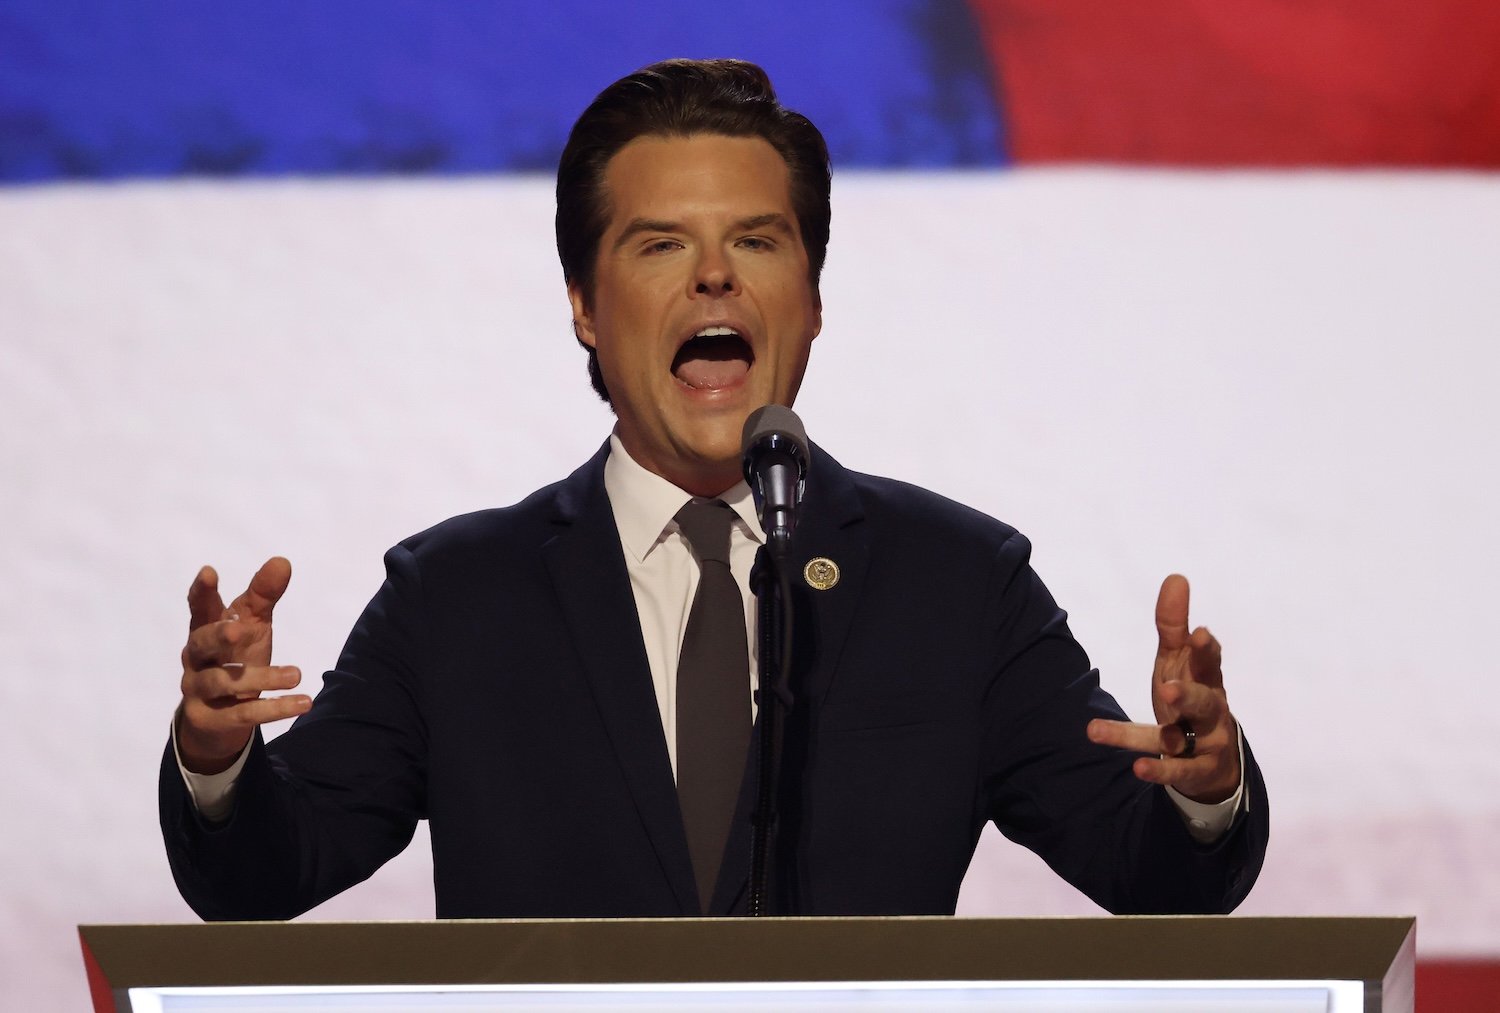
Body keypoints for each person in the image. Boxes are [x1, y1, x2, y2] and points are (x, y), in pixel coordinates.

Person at [162, 59, 1266, 920]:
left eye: (756, 237)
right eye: (658, 244)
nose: (714, 275)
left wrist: (1201, 785)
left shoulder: (958, 585)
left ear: (814, 299)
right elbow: (270, 871)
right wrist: (218, 761)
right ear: (586, 307)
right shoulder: (454, 597)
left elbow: (1154, 872)